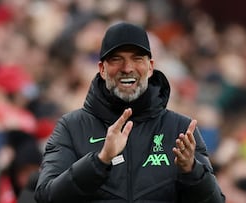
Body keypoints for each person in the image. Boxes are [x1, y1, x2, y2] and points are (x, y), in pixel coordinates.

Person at [35, 22, 225, 203]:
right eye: (117, 59)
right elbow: (46, 196)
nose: (127, 68)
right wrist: (99, 161)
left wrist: (192, 172)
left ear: (150, 67)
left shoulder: (181, 129)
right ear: (102, 69)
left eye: (137, 58)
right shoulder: (72, 127)